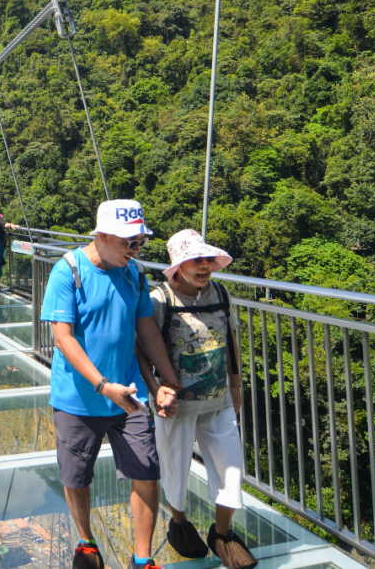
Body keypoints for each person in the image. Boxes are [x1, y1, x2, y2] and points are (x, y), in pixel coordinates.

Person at [39, 199, 180, 569]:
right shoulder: (67, 271)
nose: (134, 250)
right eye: (128, 242)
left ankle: (142, 557)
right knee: (76, 474)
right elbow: (63, 338)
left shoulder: (134, 273)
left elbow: (146, 329)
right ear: (101, 235)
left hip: (129, 395)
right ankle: (86, 542)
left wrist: (167, 382)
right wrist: (103, 386)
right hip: (79, 397)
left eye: (140, 242)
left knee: (146, 471)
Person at [138, 230, 256, 569]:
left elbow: (231, 337)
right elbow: (143, 347)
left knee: (231, 466)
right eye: (195, 260)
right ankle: (179, 523)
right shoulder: (160, 299)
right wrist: (155, 390)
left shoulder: (220, 293)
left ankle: (222, 534)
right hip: (176, 405)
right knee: (174, 464)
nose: (204, 266)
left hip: (218, 399)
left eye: (207, 259)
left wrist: (236, 385)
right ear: (178, 266)